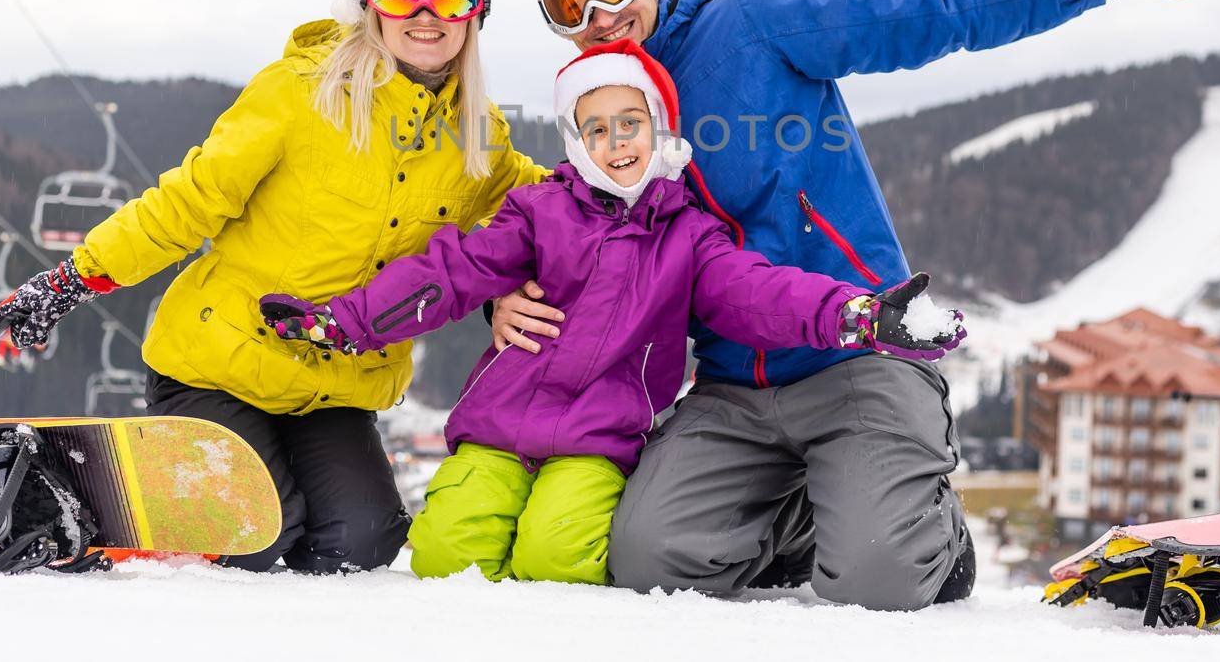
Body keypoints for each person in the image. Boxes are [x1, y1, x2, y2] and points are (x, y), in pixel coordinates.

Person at [496, 0, 1220, 610]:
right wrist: (503, 289)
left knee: (880, 577)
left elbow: (926, 12)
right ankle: (814, 511)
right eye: (570, 6)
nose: (601, 17)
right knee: (651, 560)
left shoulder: (752, 25)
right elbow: (563, 231)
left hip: (860, 347)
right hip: (734, 386)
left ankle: (926, 533)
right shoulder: (609, 123)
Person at [258, 40, 966, 585]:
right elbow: (448, 272)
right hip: (500, 425)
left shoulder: (690, 235)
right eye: (595, 129)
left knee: (559, 555)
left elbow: (758, 291)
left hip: (599, 438)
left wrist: (857, 313)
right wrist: (341, 321)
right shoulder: (537, 211)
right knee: (445, 552)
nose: (615, 141)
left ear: (658, 130)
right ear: (575, 141)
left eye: (630, 123)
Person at [0, 0, 544, 573]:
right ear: (369, 3)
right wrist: (75, 277)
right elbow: (189, 199)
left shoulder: (476, 133)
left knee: (361, 543)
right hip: (219, 364)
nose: (425, 11)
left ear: (476, 10)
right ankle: (83, 500)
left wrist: (635, 180)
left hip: (334, 386)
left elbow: (542, 210)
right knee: (257, 535)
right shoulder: (299, 93)